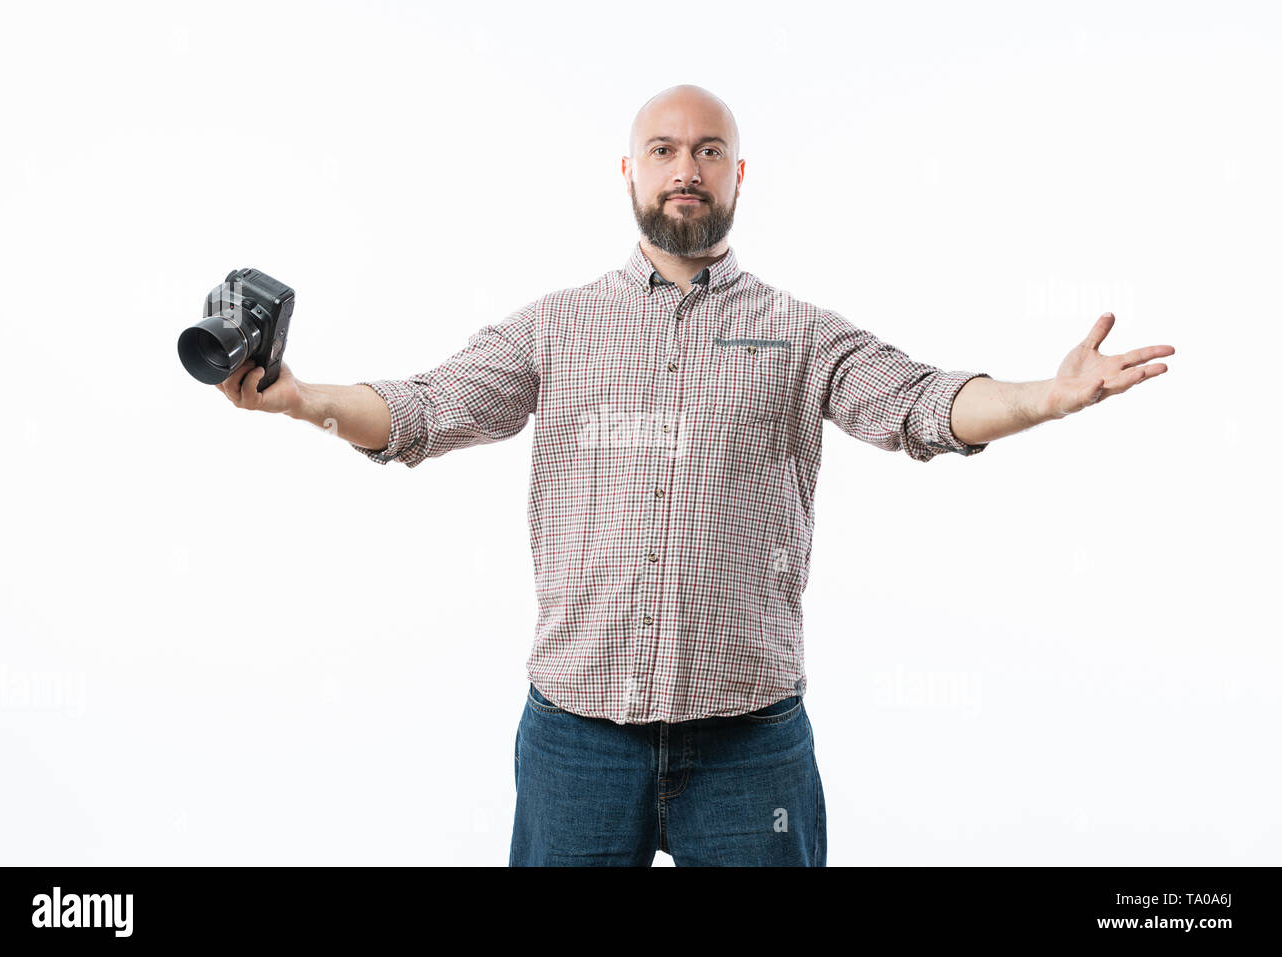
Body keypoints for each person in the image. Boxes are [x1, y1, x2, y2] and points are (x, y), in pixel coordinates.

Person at [213, 84, 1175, 866]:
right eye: (665, 150)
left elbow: (923, 404)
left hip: (750, 745)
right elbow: (422, 408)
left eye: (708, 149)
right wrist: (300, 398)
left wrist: (1045, 397)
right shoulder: (555, 327)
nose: (686, 167)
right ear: (629, 171)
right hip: (578, 741)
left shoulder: (801, 332)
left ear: (739, 173)